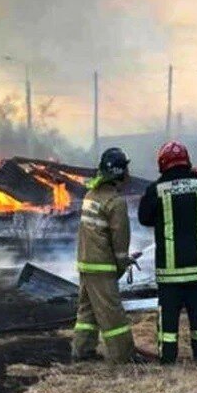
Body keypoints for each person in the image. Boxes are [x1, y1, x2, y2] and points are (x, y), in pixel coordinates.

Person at [138, 141, 197, 364]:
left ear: (162, 163)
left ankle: (168, 358)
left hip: (170, 271)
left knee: (169, 318)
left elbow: (144, 218)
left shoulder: (156, 190)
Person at [72, 147, 142, 364]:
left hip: (85, 262)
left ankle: (82, 350)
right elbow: (119, 242)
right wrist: (123, 262)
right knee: (113, 313)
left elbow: (95, 233)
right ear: (121, 173)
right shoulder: (115, 202)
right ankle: (124, 355)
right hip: (102, 267)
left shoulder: (90, 195)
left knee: (88, 310)